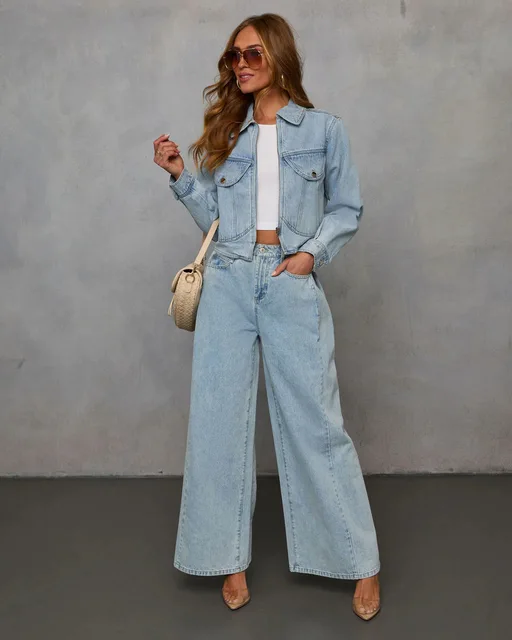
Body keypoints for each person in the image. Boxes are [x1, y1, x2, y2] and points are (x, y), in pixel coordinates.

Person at [153, 13, 381, 621]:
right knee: (218, 423)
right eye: (234, 56)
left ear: (278, 55)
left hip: (288, 280)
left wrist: (310, 256)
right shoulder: (228, 133)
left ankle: (359, 560)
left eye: (251, 53)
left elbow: (347, 207)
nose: (241, 65)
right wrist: (180, 178)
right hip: (228, 280)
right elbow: (216, 221)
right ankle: (227, 559)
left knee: (317, 423)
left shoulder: (325, 130)